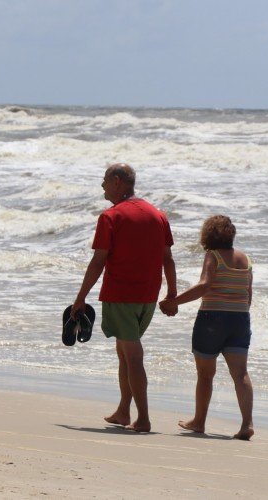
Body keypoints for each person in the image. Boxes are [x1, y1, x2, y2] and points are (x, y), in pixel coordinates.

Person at [71, 163, 177, 433]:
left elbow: (98, 262)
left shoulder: (111, 217)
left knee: (132, 355)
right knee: (124, 352)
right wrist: (171, 293)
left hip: (121, 295)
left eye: (105, 180)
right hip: (148, 297)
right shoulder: (158, 215)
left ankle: (143, 418)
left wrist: (80, 297)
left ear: (118, 181)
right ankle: (123, 410)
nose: (102, 185)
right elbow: (167, 258)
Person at [159, 215, 255, 440]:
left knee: (205, 374)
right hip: (240, 319)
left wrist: (174, 302)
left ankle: (199, 421)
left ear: (208, 235)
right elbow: (248, 294)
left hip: (212, 318)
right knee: (240, 374)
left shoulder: (213, 256)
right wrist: (239, 313)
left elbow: (204, 285)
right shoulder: (245, 259)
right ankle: (246, 423)